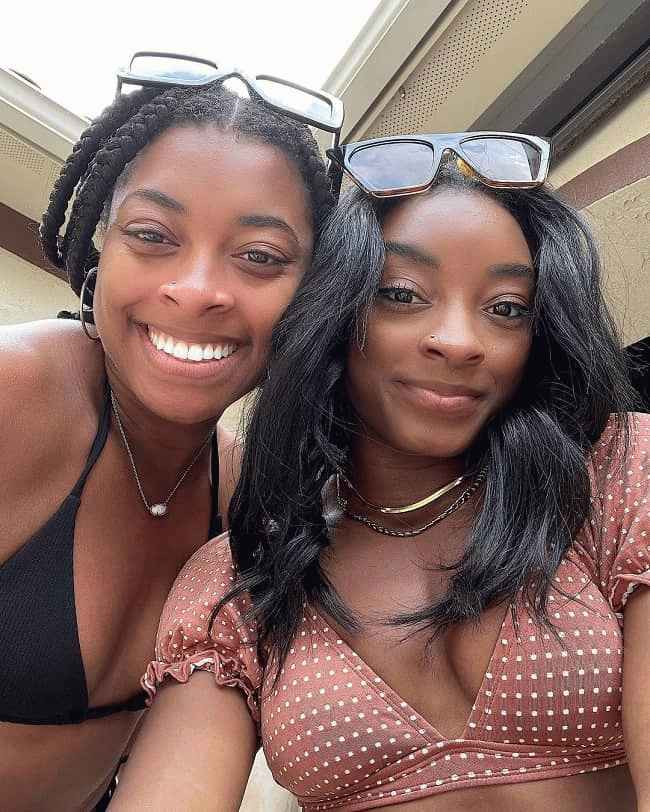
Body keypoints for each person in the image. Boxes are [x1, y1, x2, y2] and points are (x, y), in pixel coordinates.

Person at [111, 133, 649, 811]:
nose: (458, 341)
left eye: (507, 308)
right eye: (401, 294)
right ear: (336, 317)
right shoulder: (241, 577)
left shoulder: (615, 472)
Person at [0, 52, 340, 811]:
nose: (197, 290)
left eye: (259, 256)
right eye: (153, 235)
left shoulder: (246, 496)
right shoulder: (15, 393)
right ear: (102, 245)